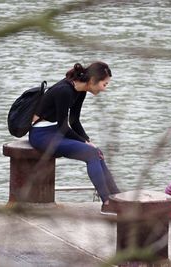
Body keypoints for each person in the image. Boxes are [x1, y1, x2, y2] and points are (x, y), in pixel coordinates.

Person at [29, 61, 120, 214]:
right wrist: (84, 142)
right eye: (104, 84)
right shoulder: (64, 91)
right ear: (92, 81)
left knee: (96, 152)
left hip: (55, 132)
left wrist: (87, 140)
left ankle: (118, 197)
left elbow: (74, 121)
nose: (105, 89)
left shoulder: (81, 90)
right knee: (91, 153)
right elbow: (63, 127)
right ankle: (108, 202)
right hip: (41, 134)